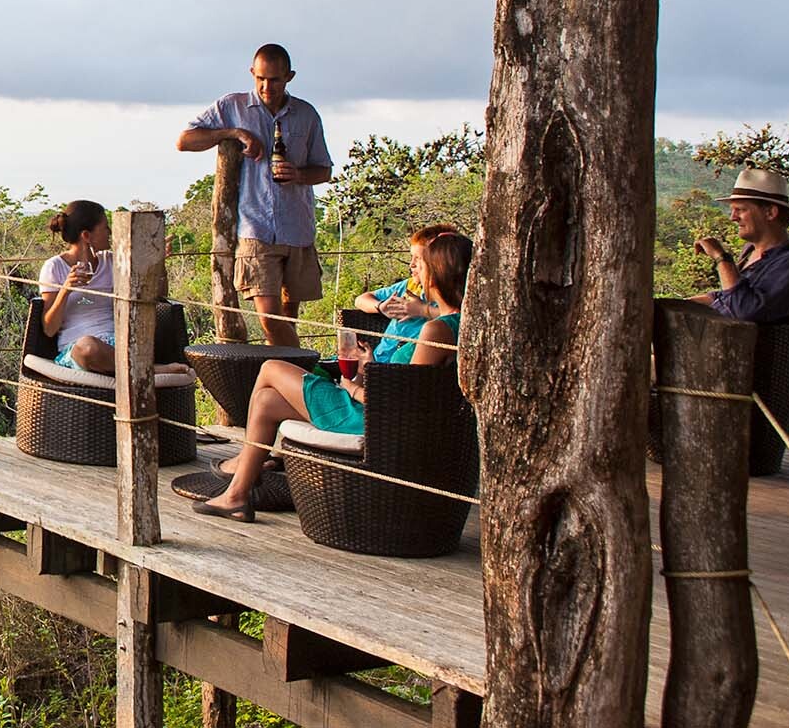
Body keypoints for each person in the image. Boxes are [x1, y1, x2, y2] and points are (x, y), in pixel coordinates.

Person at [192, 230, 470, 523]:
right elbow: (408, 386)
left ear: (438, 273)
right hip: (374, 410)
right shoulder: (459, 323)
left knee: (271, 368)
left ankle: (252, 466)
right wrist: (371, 366)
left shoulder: (436, 330)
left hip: (370, 420)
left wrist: (352, 387)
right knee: (267, 400)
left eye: (420, 263)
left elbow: (401, 405)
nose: (414, 269)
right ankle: (237, 495)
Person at [177, 43, 333, 347]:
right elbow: (185, 140)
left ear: (289, 77)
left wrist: (299, 175)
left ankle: (285, 381)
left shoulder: (306, 114)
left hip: (297, 227)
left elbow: (324, 170)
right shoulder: (232, 106)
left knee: (288, 316)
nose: (266, 86)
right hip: (255, 228)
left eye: (274, 79)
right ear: (252, 73)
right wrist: (233, 133)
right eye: (260, 78)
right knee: (270, 318)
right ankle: (311, 376)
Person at [39, 199, 191, 376]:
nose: (110, 232)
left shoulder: (111, 261)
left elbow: (159, 294)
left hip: (116, 346)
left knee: (131, 342)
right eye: (105, 227)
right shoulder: (54, 267)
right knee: (88, 347)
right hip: (78, 350)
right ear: (87, 236)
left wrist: (158, 262)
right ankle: (152, 370)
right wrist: (65, 290)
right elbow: (49, 329)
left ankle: (128, 366)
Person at [691, 167, 789, 327]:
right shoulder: (749, 253)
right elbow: (726, 298)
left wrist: (721, 258)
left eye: (740, 210)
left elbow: (744, 310)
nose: (733, 218)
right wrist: (669, 305)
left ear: (770, 213)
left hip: (759, 351)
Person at [354, 223, 453, 364]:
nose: (411, 264)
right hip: (377, 359)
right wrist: (380, 306)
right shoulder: (410, 285)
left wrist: (422, 310)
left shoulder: (448, 296)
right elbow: (361, 300)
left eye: (418, 259)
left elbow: (457, 319)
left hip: (393, 369)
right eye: (411, 257)